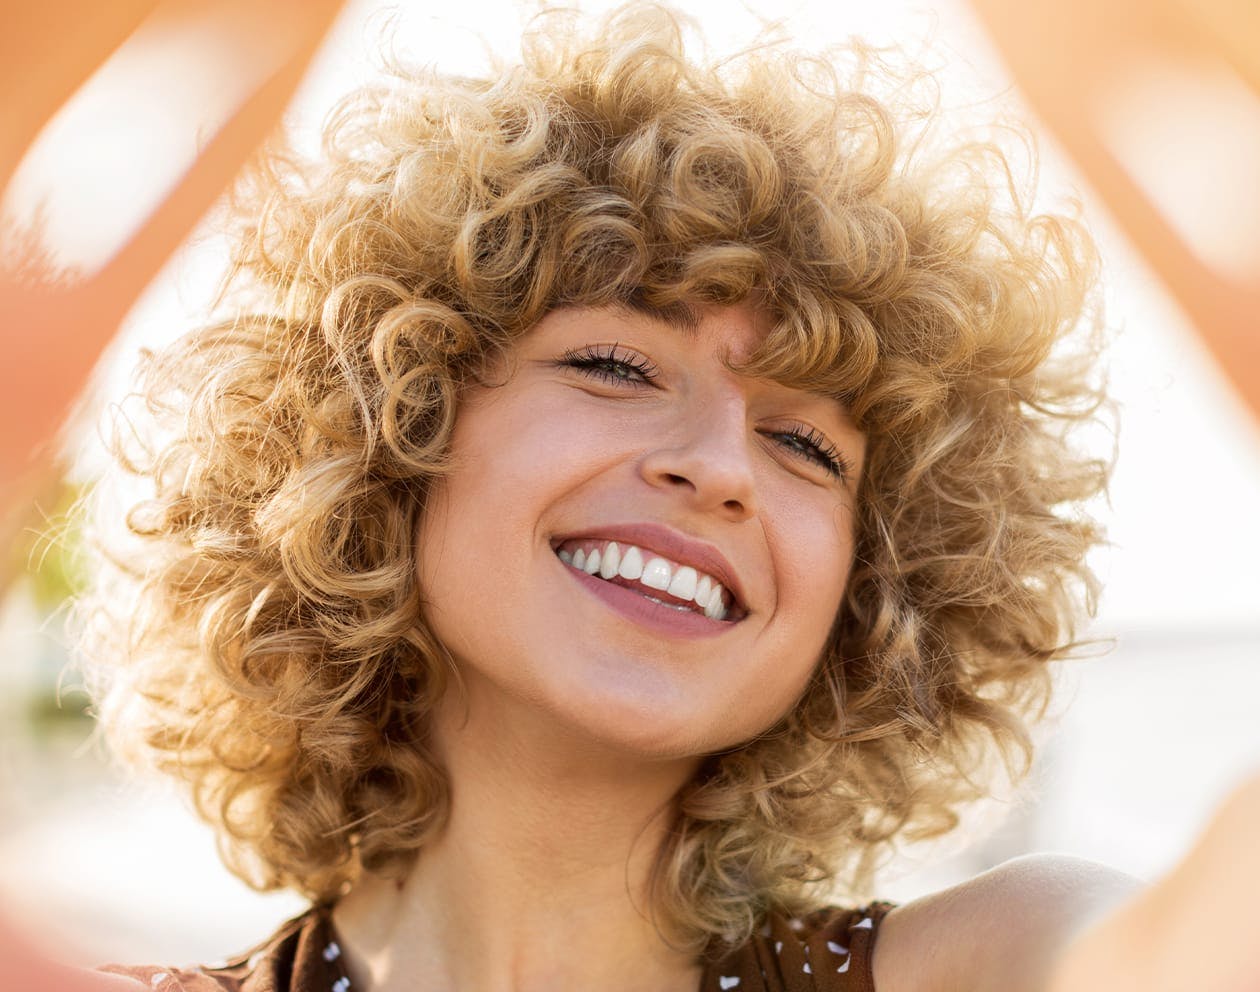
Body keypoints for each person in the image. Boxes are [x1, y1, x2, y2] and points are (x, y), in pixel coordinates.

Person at [66, 5, 1162, 990]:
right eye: (619, 367)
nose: (722, 467)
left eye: (804, 444)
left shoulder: (1004, 962)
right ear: (391, 428)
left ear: (871, 590)